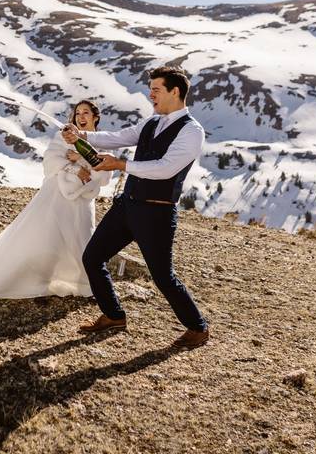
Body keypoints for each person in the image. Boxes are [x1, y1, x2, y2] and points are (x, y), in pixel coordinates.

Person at [62, 66, 209, 349]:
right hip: (127, 205)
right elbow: (118, 138)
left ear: (174, 91)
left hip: (157, 213)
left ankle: (198, 327)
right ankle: (114, 315)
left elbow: (165, 169)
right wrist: (82, 135)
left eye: (156, 89)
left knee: (163, 277)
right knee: (92, 258)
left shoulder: (192, 131)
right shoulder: (151, 123)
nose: (150, 94)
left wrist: (120, 164)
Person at [0, 100, 112, 300]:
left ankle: (86, 284)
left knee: (83, 237)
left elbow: (104, 175)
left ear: (95, 117)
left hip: (84, 200)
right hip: (56, 194)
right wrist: (77, 169)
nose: (81, 117)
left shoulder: (103, 142)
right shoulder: (64, 137)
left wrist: (79, 158)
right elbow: (51, 162)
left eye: (86, 113)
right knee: (45, 235)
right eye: (78, 113)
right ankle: (34, 280)